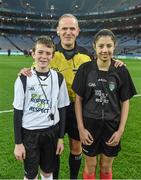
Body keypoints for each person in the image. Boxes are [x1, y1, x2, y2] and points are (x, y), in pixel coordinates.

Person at [19, 14, 124, 179]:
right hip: (55, 109)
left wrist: (117, 62)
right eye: (64, 28)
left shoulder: (86, 54)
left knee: (76, 147)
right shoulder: (51, 53)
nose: (68, 32)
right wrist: (24, 71)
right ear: (58, 30)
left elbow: (104, 57)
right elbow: (35, 69)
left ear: (78, 31)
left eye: (72, 28)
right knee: (55, 149)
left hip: (79, 108)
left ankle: (73, 178)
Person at [72, 29, 137, 179]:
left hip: (112, 127)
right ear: (94, 47)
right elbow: (79, 100)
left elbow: (125, 102)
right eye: (101, 46)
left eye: (109, 46)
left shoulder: (121, 71)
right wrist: (81, 128)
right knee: (90, 166)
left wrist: (120, 131)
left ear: (114, 46)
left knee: (106, 168)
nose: (105, 50)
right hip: (89, 126)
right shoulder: (85, 69)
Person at [13, 36, 70, 180]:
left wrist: (61, 138)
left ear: (52, 56)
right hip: (30, 133)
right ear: (33, 54)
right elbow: (17, 112)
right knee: (31, 174)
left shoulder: (59, 78)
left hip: (51, 132)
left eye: (47, 53)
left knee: (47, 172)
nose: (43, 57)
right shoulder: (23, 78)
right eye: (40, 52)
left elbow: (63, 109)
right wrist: (18, 143)